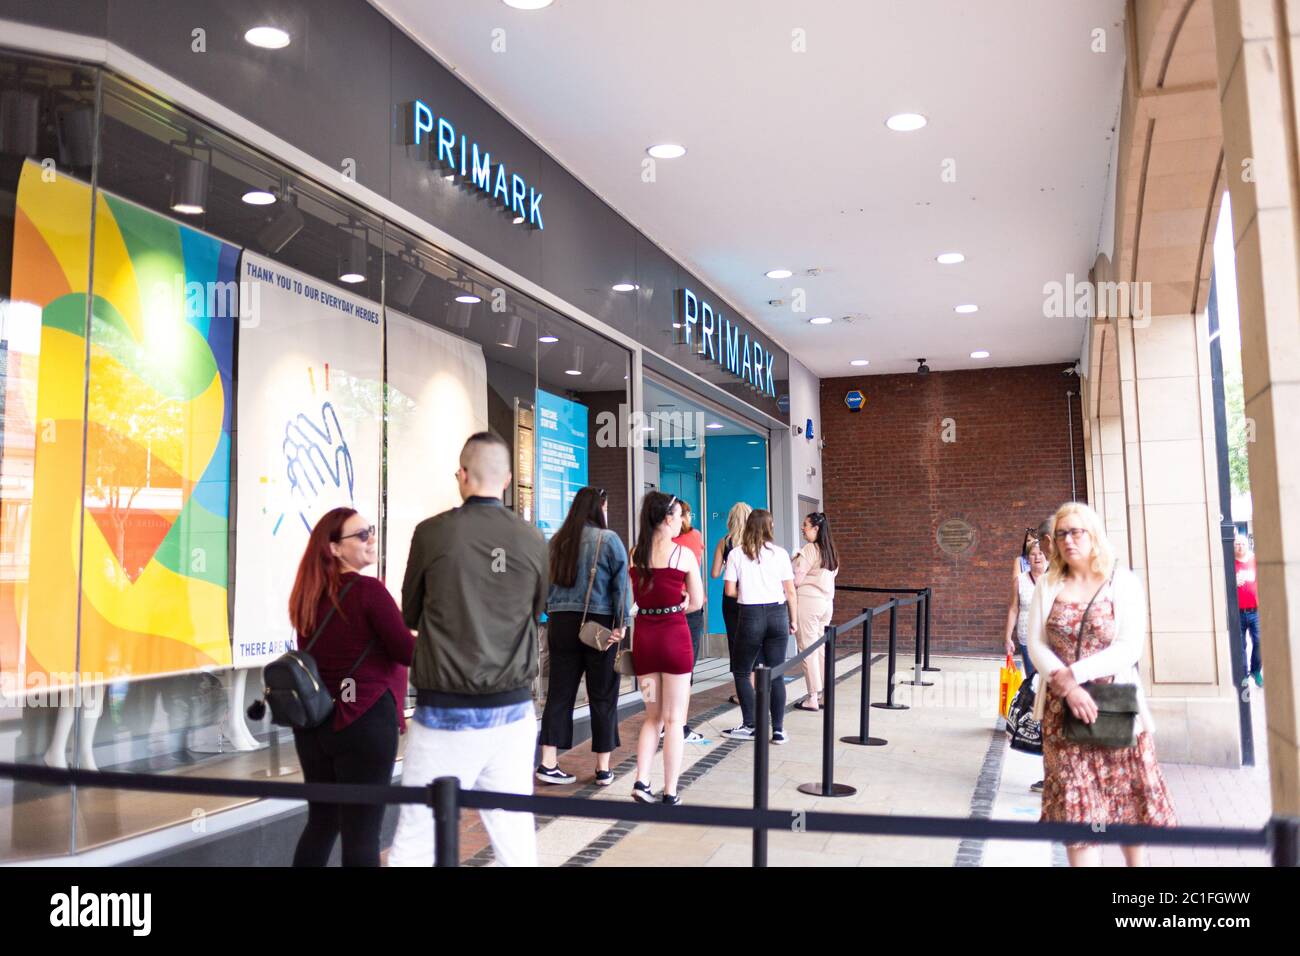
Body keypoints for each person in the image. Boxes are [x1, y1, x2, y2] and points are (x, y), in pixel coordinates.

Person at [388, 432, 548, 867]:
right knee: (516, 843)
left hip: (444, 714)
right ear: (510, 479)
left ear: (462, 475)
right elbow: (536, 611)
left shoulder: (431, 534)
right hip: (514, 712)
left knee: (417, 841)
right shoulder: (533, 539)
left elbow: (411, 614)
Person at [1026, 502, 1177, 867]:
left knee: (1127, 799)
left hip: (1114, 705)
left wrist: (1076, 674)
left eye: (1077, 532)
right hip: (1063, 712)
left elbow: (1128, 646)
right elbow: (1036, 645)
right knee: (1077, 810)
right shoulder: (1048, 585)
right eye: (1061, 534)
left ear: (1094, 535)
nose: (1068, 540)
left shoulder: (1121, 581)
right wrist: (1070, 689)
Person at [287, 508, 415, 867]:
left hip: (315, 725)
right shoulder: (368, 591)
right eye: (361, 535)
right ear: (334, 548)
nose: (371, 538)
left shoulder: (307, 595)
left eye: (370, 531)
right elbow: (405, 652)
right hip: (365, 720)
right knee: (362, 832)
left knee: (322, 821)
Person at [536, 487, 629, 786]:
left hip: (561, 624)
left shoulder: (558, 542)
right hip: (598, 626)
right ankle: (602, 767)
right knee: (602, 693)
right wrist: (622, 622)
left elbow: (544, 587)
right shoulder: (608, 539)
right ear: (600, 506)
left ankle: (548, 762)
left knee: (559, 693)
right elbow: (621, 586)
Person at [628, 491, 705, 805]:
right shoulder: (682, 556)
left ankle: (640, 781)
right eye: (677, 515)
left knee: (652, 717)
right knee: (674, 719)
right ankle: (670, 790)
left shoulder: (635, 554)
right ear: (666, 518)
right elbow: (698, 602)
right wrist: (679, 604)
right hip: (675, 641)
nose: (681, 521)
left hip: (644, 642)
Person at [722, 509, 797, 744]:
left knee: (743, 671)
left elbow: (729, 591)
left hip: (750, 615)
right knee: (776, 673)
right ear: (770, 527)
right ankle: (778, 729)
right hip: (778, 614)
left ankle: (751, 724)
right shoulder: (781, 554)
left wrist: (747, 590)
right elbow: (790, 591)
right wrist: (793, 620)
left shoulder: (735, 554)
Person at [1004, 536, 1049, 792]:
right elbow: (1013, 608)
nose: (1037, 557)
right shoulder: (1020, 581)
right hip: (1026, 642)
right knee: (1034, 699)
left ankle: (1046, 756)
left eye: (1041, 554)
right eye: (1033, 554)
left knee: (1044, 701)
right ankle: (1034, 735)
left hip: (1048, 646)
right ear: (1027, 559)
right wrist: (1007, 637)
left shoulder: (1055, 580)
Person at [791, 512, 838, 712]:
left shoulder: (810, 549)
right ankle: (824, 693)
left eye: (805, 525)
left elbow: (796, 578)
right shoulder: (831, 551)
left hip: (808, 602)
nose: (803, 528)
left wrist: (794, 560)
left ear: (816, 529)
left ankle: (812, 697)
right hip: (826, 603)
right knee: (820, 648)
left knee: (807, 649)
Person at [671, 501, 707, 743]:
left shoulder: (654, 543)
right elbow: (695, 570)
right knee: (685, 670)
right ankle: (679, 725)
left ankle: (668, 722)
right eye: (686, 513)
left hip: (662, 610)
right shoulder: (694, 537)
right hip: (689, 608)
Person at [711, 502, 752, 705]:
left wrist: (729, 564)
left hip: (731, 600)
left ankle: (740, 693)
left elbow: (715, 573)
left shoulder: (725, 543)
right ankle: (753, 688)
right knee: (754, 642)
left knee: (735, 644)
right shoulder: (756, 543)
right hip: (753, 598)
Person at [1234, 534, 1262, 687]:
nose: (1240, 546)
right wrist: (1232, 581)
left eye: (1243, 544)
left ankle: (1256, 670)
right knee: (1240, 645)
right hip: (1237, 612)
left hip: (1255, 611)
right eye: (1237, 544)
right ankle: (1243, 675)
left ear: (1248, 545)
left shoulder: (1254, 561)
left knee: (1260, 642)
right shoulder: (1230, 563)